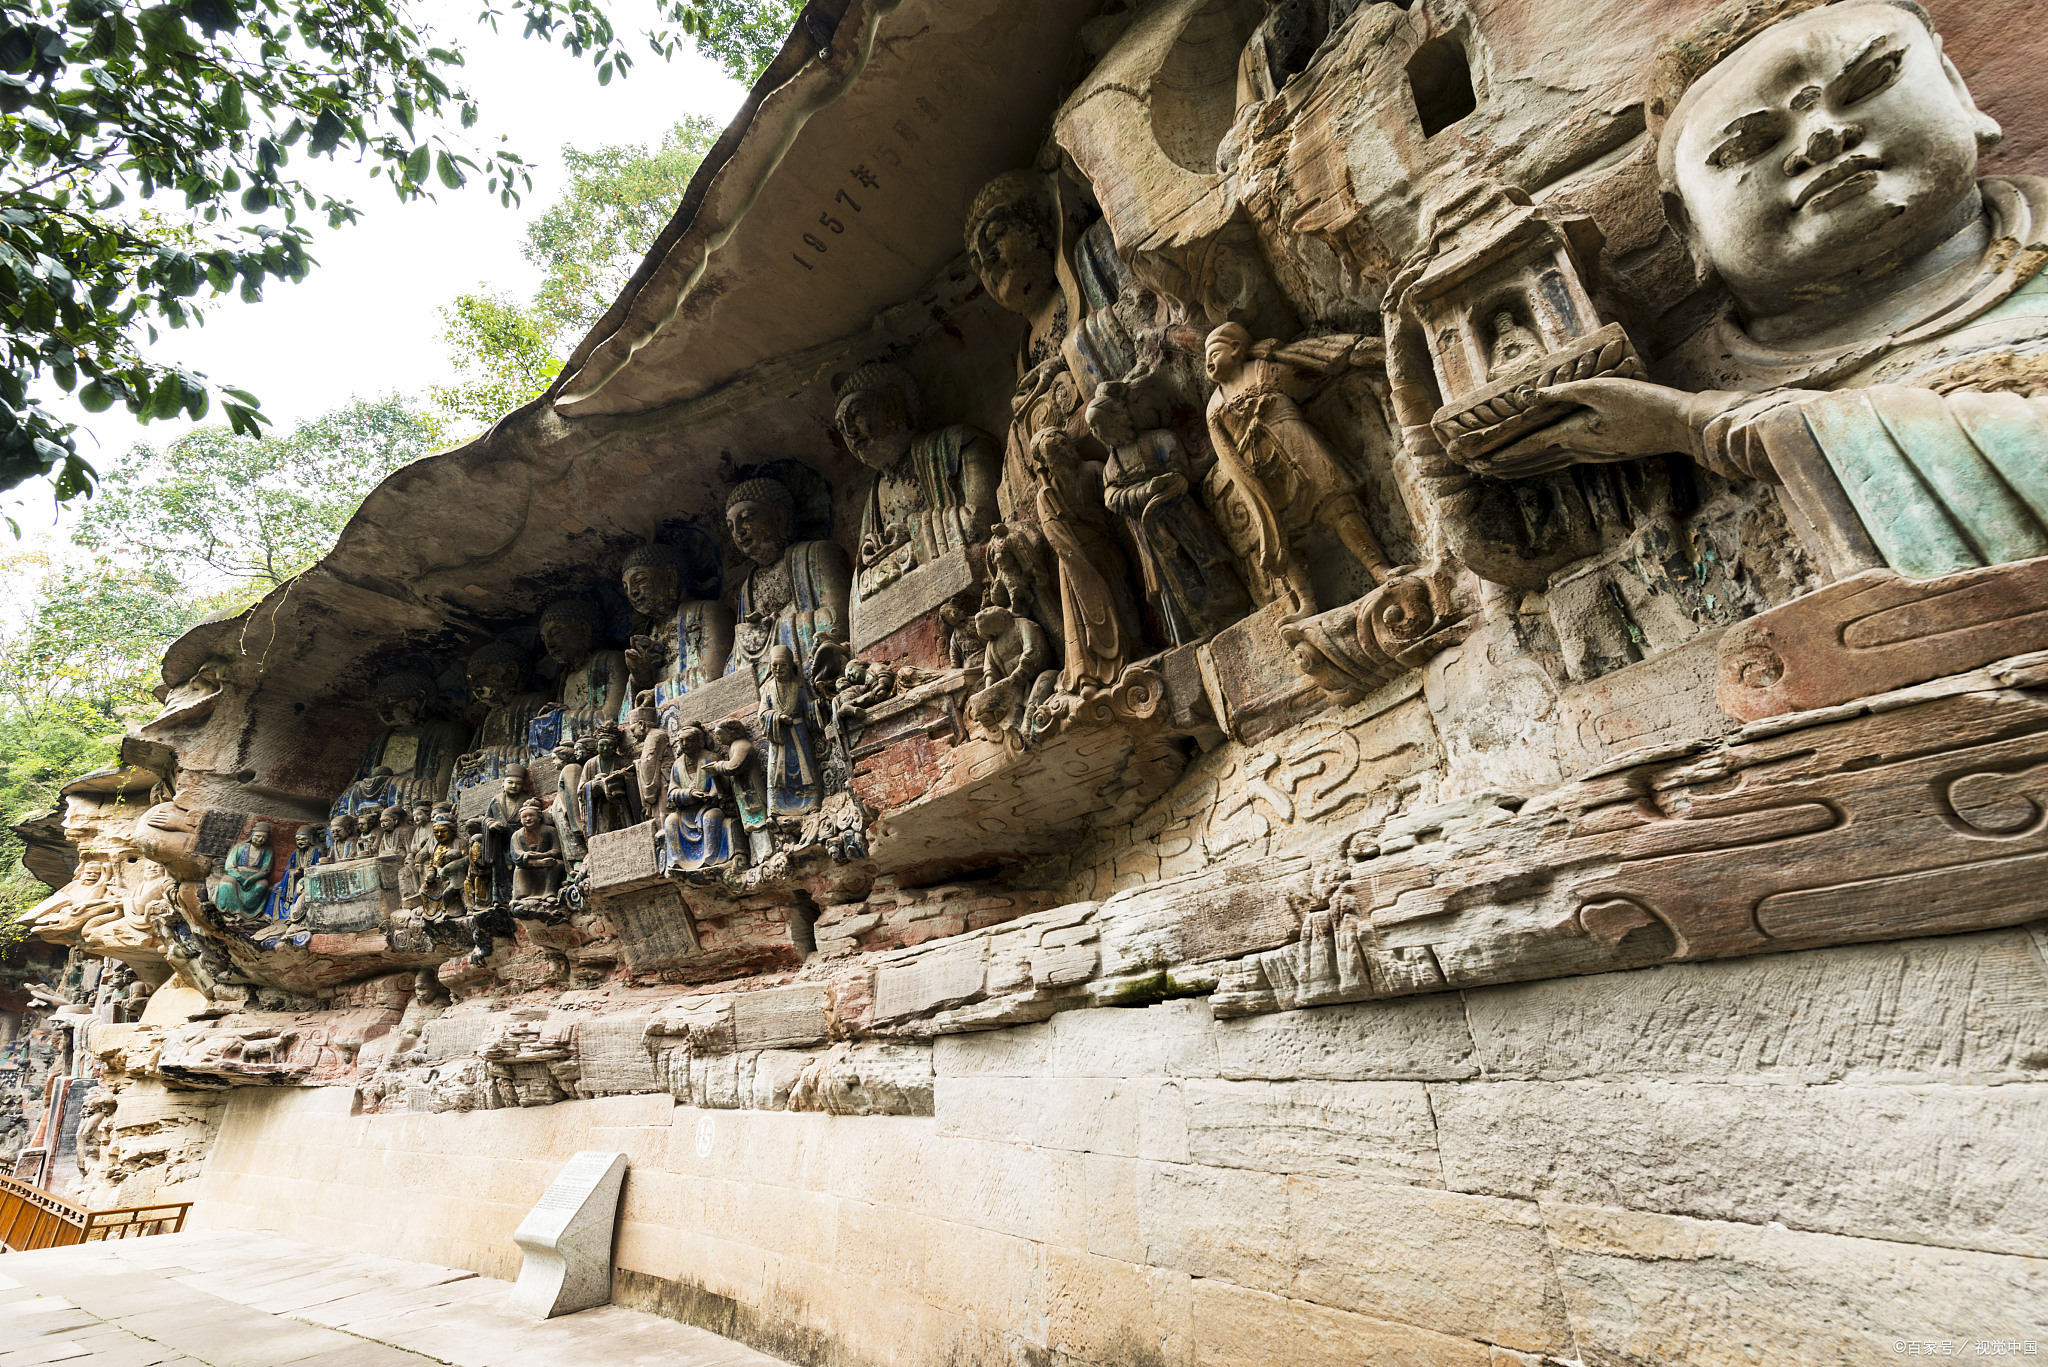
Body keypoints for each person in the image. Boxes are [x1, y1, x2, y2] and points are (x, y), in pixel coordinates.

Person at [1487, 0, 2048, 582]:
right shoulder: (1658, 392)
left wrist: (1705, 428)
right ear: (1689, 229)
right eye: (1747, 146)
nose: (1823, 136)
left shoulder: (1678, 411)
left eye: (1870, 81)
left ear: (1958, 91)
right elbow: (1549, 552)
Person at [211, 824, 274, 917]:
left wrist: (252, 879)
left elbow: (266, 869)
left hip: (255, 877)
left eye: (264, 838)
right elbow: (229, 866)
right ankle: (232, 912)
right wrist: (241, 877)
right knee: (227, 883)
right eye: (258, 836)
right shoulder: (240, 847)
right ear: (252, 835)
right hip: (236, 875)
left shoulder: (268, 850)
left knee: (262, 885)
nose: (260, 839)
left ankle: (252, 913)